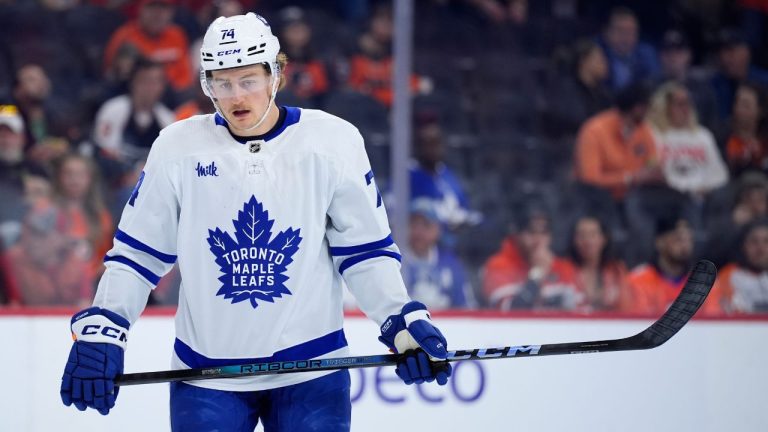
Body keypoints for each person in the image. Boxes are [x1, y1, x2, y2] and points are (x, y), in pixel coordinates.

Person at [59, 13, 452, 430]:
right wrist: (105, 327)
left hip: (312, 372)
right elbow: (137, 255)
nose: (235, 96)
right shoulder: (177, 147)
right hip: (207, 376)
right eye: (221, 83)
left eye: (248, 80)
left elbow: (365, 253)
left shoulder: (334, 142)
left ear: (276, 74)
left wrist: (401, 319)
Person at [482, 207, 582, 311]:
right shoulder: (498, 266)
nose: (538, 239)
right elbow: (509, 313)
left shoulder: (563, 267)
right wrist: (537, 274)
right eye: (531, 232)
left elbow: (583, 312)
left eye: (544, 233)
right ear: (517, 234)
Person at [624, 214, 722, 315]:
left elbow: (713, 322)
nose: (685, 245)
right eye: (678, 239)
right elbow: (638, 324)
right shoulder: (639, 280)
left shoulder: (705, 283)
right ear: (660, 242)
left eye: (689, 240)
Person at [401, 199, 473, 309]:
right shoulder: (395, 261)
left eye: (426, 225)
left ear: (437, 229)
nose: (418, 231)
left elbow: (464, 306)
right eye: (413, 224)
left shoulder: (451, 264)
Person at [567, 214, 630, 313]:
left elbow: (627, 308)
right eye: (581, 235)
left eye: (592, 234)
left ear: (604, 239)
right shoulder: (565, 270)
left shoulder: (616, 271)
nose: (587, 241)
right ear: (574, 240)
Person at [598, 7, 660, 91]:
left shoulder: (647, 53)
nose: (626, 37)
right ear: (606, 32)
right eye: (620, 30)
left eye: (631, 31)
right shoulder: (596, 52)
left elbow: (655, 82)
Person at [715, 218, 768, 314]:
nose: (761, 248)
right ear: (744, 246)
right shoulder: (728, 275)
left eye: (766, 241)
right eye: (754, 241)